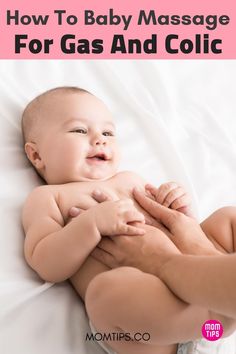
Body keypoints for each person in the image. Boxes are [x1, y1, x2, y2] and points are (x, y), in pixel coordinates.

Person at [21, 86, 235, 354]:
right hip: (151, 331)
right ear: (37, 155)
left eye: (108, 132)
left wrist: (175, 201)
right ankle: (214, 323)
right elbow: (45, 263)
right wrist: (92, 224)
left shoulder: (130, 179)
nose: (100, 139)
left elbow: (176, 224)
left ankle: (215, 315)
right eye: (79, 130)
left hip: (199, 278)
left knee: (229, 217)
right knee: (105, 293)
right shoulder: (49, 198)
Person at [91, 186, 236, 320]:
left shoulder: (125, 177)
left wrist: (162, 262)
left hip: (197, 308)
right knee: (104, 294)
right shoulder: (67, 194)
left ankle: (219, 319)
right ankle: (217, 317)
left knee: (102, 293)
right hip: (167, 308)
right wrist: (196, 240)